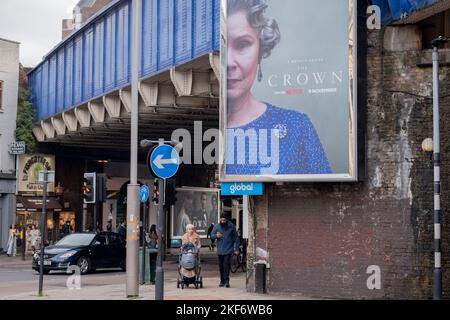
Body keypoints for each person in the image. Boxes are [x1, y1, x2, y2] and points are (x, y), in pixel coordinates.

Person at [225, 0, 331, 175]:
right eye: (220, 47)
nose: (229, 62)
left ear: (260, 50)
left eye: (242, 44)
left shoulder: (297, 127)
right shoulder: (197, 130)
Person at [210, 214, 240, 288]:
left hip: (228, 249)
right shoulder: (217, 226)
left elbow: (236, 238)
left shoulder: (231, 227)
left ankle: (227, 281)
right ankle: (222, 281)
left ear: (227, 220)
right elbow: (211, 236)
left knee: (226, 265)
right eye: (221, 220)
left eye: (224, 220)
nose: (222, 221)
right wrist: (216, 236)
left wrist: (237, 249)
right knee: (221, 266)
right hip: (220, 250)